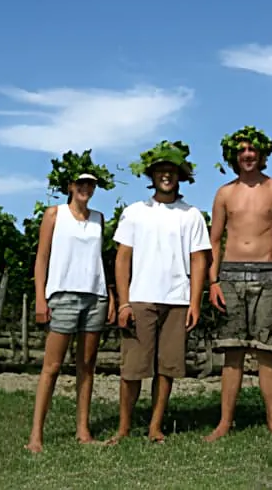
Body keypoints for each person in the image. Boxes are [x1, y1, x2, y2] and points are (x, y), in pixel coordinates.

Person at [106, 141, 210, 444]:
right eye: (161, 171)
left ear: (180, 176)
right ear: (152, 176)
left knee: (167, 368)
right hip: (140, 298)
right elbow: (122, 257)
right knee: (133, 368)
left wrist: (195, 301)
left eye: (171, 171)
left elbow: (199, 259)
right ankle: (124, 427)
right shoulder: (135, 212)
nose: (166, 175)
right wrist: (124, 302)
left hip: (177, 299)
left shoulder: (191, 215)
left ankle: (155, 426)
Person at [203, 125, 272, 442]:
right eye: (242, 150)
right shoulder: (224, 193)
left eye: (252, 150)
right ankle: (224, 422)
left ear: (262, 154)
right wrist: (213, 281)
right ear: (235, 155)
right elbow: (214, 240)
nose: (247, 155)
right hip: (230, 276)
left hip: (267, 275)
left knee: (266, 352)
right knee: (232, 354)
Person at [25, 159, 116, 454]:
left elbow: (100, 261)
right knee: (51, 367)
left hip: (94, 297)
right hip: (62, 296)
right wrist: (41, 297)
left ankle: (83, 430)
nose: (85, 188)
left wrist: (110, 296)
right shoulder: (55, 214)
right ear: (70, 187)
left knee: (86, 366)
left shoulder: (99, 218)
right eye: (81, 183)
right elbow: (41, 257)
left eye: (90, 184)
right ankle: (36, 436)